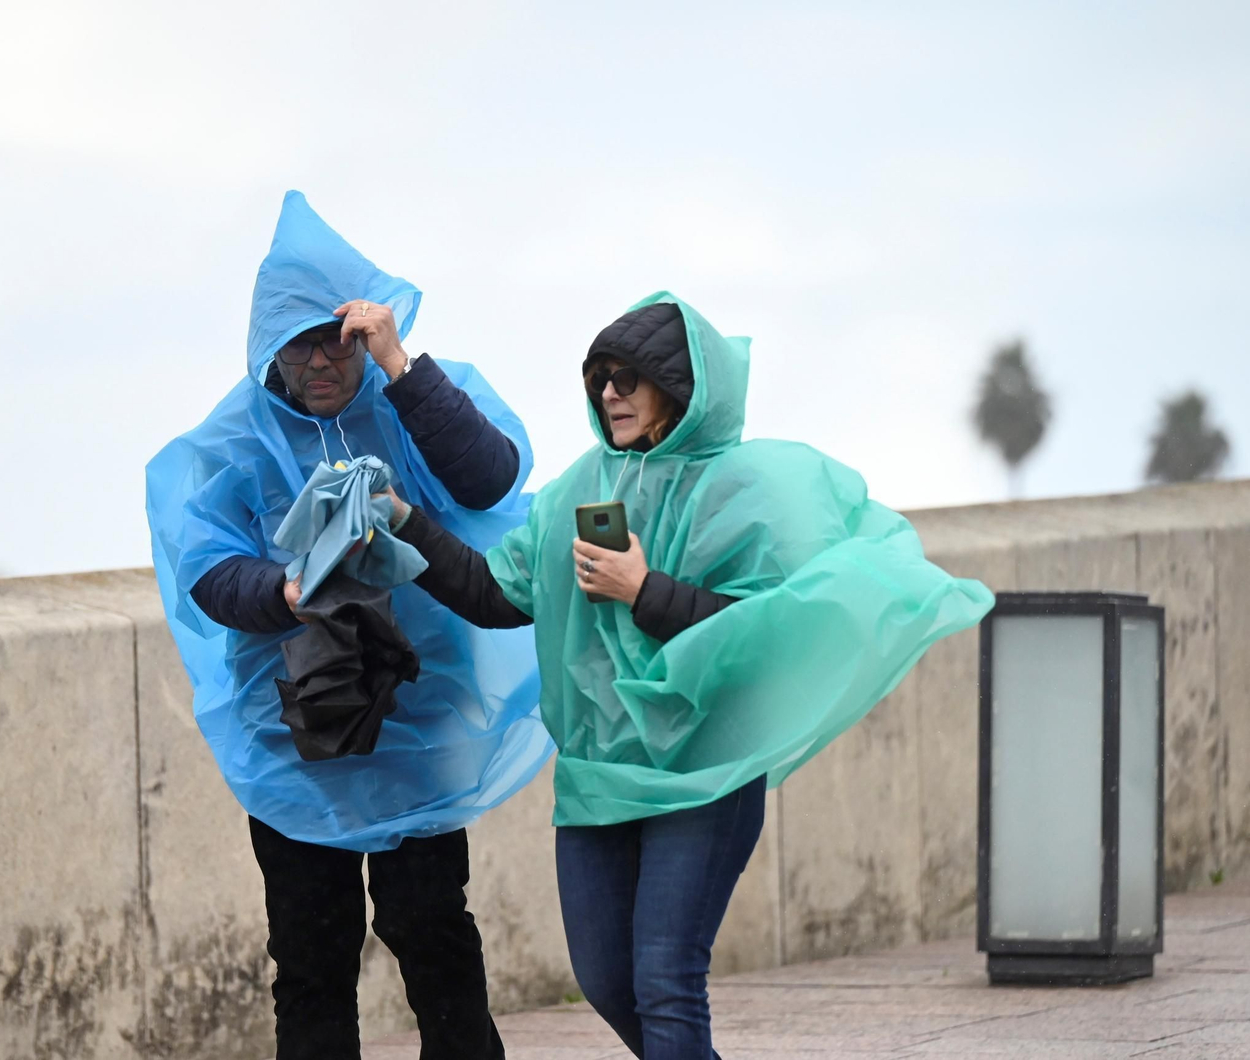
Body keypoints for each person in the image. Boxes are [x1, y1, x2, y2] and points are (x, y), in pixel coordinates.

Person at [386, 293, 995, 1059]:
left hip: (705, 771)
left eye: (628, 377)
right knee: (606, 979)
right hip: (600, 773)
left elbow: (770, 628)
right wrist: (407, 522)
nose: (609, 392)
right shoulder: (581, 488)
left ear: (679, 389)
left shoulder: (750, 492)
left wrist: (646, 591)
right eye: (599, 376)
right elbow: (494, 593)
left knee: (667, 979)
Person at [145, 192, 551, 1060]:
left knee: (432, 929)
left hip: (420, 709)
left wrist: (404, 368)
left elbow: (490, 479)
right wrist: (285, 589)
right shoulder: (231, 443)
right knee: (311, 952)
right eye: (299, 343)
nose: (321, 359)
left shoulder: (416, 393)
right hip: (299, 723)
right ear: (268, 351)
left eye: (339, 337)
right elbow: (207, 567)